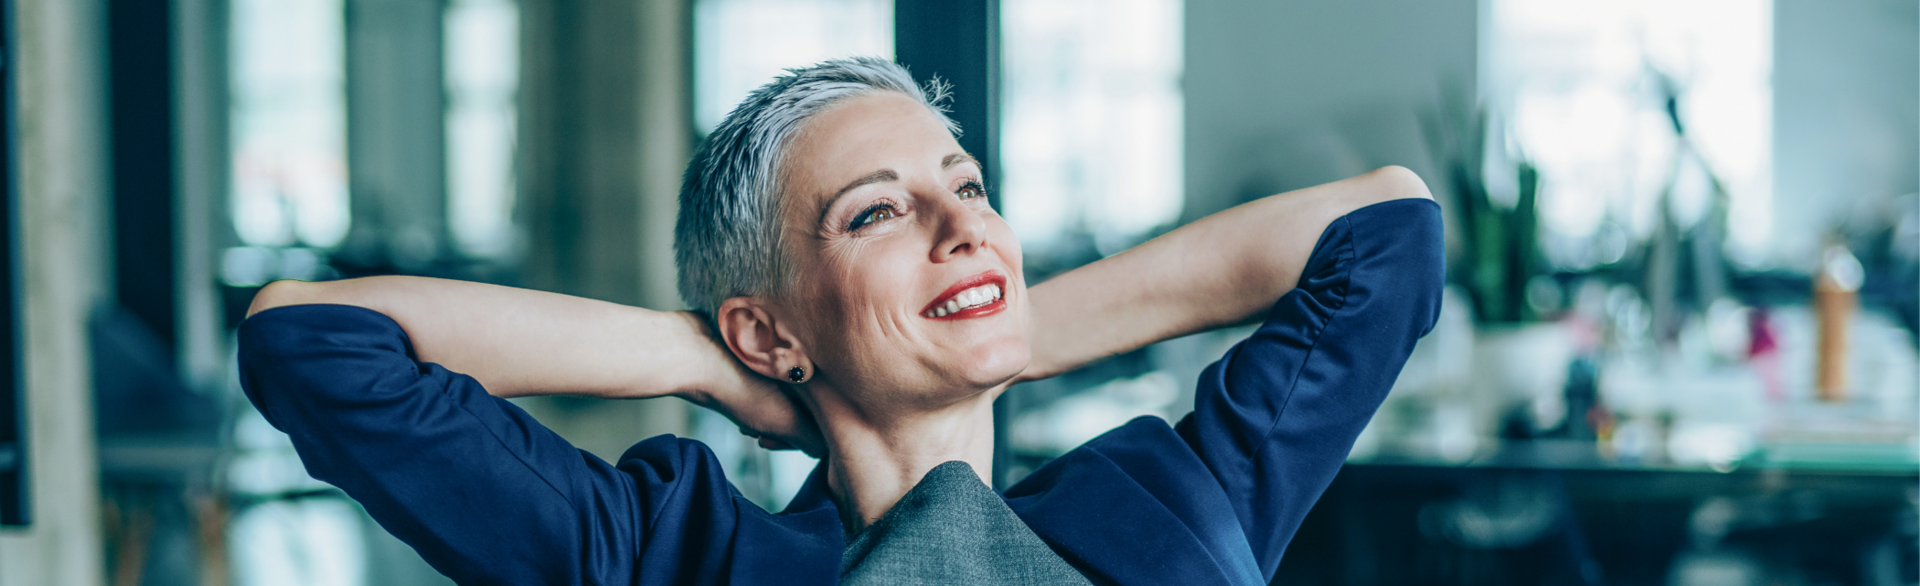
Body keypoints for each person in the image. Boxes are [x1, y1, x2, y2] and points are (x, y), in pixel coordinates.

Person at [239, 57, 1443, 585]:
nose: (963, 222)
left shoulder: (1174, 502)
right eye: (879, 213)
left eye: (967, 188)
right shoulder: (672, 557)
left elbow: (1390, 232)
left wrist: (998, 329)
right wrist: (707, 362)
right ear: (767, 329)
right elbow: (311, 342)